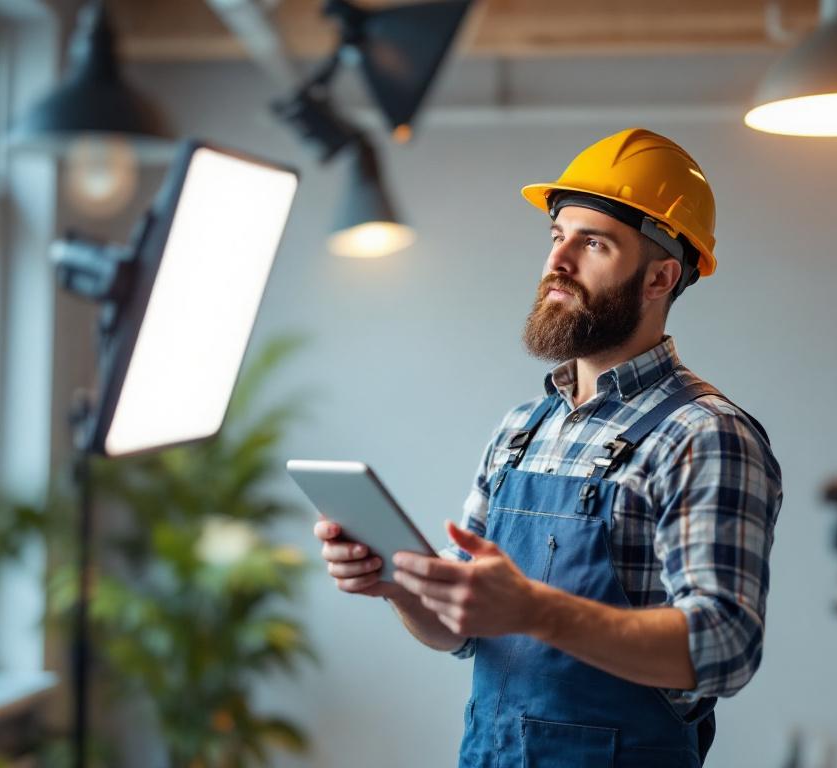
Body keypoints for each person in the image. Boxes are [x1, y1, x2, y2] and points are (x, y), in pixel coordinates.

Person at [313, 128, 782, 767]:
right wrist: (397, 583)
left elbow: (725, 646)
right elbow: (458, 629)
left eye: (594, 243)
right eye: (557, 236)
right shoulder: (521, 429)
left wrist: (538, 609)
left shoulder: (704, 434)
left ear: (660, 277)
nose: (558, 261)